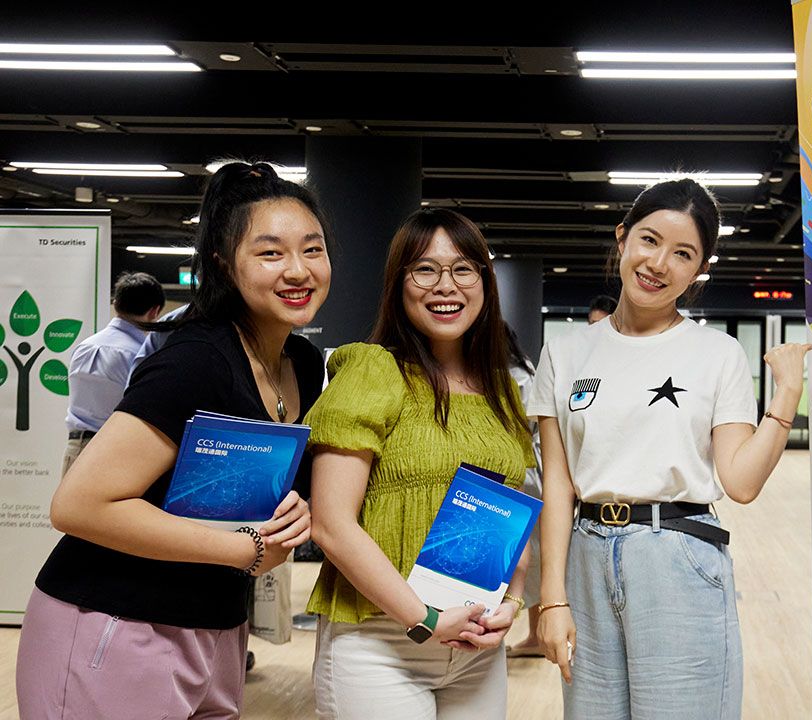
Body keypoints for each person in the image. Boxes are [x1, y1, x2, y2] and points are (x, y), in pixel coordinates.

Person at [16, 161, 329, 720]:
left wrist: (290, 511)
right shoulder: (196, 360)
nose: (298, 270)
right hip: (115, 620)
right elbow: (79, 504)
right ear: (222, 264)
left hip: (214, 624)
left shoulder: (301, 363)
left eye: (312, 249)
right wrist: (247, 548)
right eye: (270, 252)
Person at [529, 178, 812, 719]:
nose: (659, 263)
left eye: (683, 254)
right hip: (585, 557)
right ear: (622, 238)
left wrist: (787, 395)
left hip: (677, 555)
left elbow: (742, 482)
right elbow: (558, 486)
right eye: (650, 240)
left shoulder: (716, 353)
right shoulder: (566, 351)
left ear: (699, 269)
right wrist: (553, 597)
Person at [306, 208, 535, 720]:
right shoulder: (372, 369)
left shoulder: (500, 389)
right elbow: (332, 525)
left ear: (484, 280)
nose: (445, 286)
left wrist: (512, 606)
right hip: (381, 640)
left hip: (476, 644)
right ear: (399, 282)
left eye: (463, 269)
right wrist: (424, 619)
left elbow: (513, 517)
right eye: (425, 269)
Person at [62, 271, 165, 475]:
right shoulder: (142, 356)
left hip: (75, 448)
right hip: (116, 455)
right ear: (154, 312)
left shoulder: (84, 347)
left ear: (116, 303)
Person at [503, 323, 545, 659]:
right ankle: (534, 634)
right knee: (532, 558)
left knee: (522, 558)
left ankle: (535, 634)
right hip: (529, 473)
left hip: (521, 474)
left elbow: (526, 423)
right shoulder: (525, 370)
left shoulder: (513, 374)